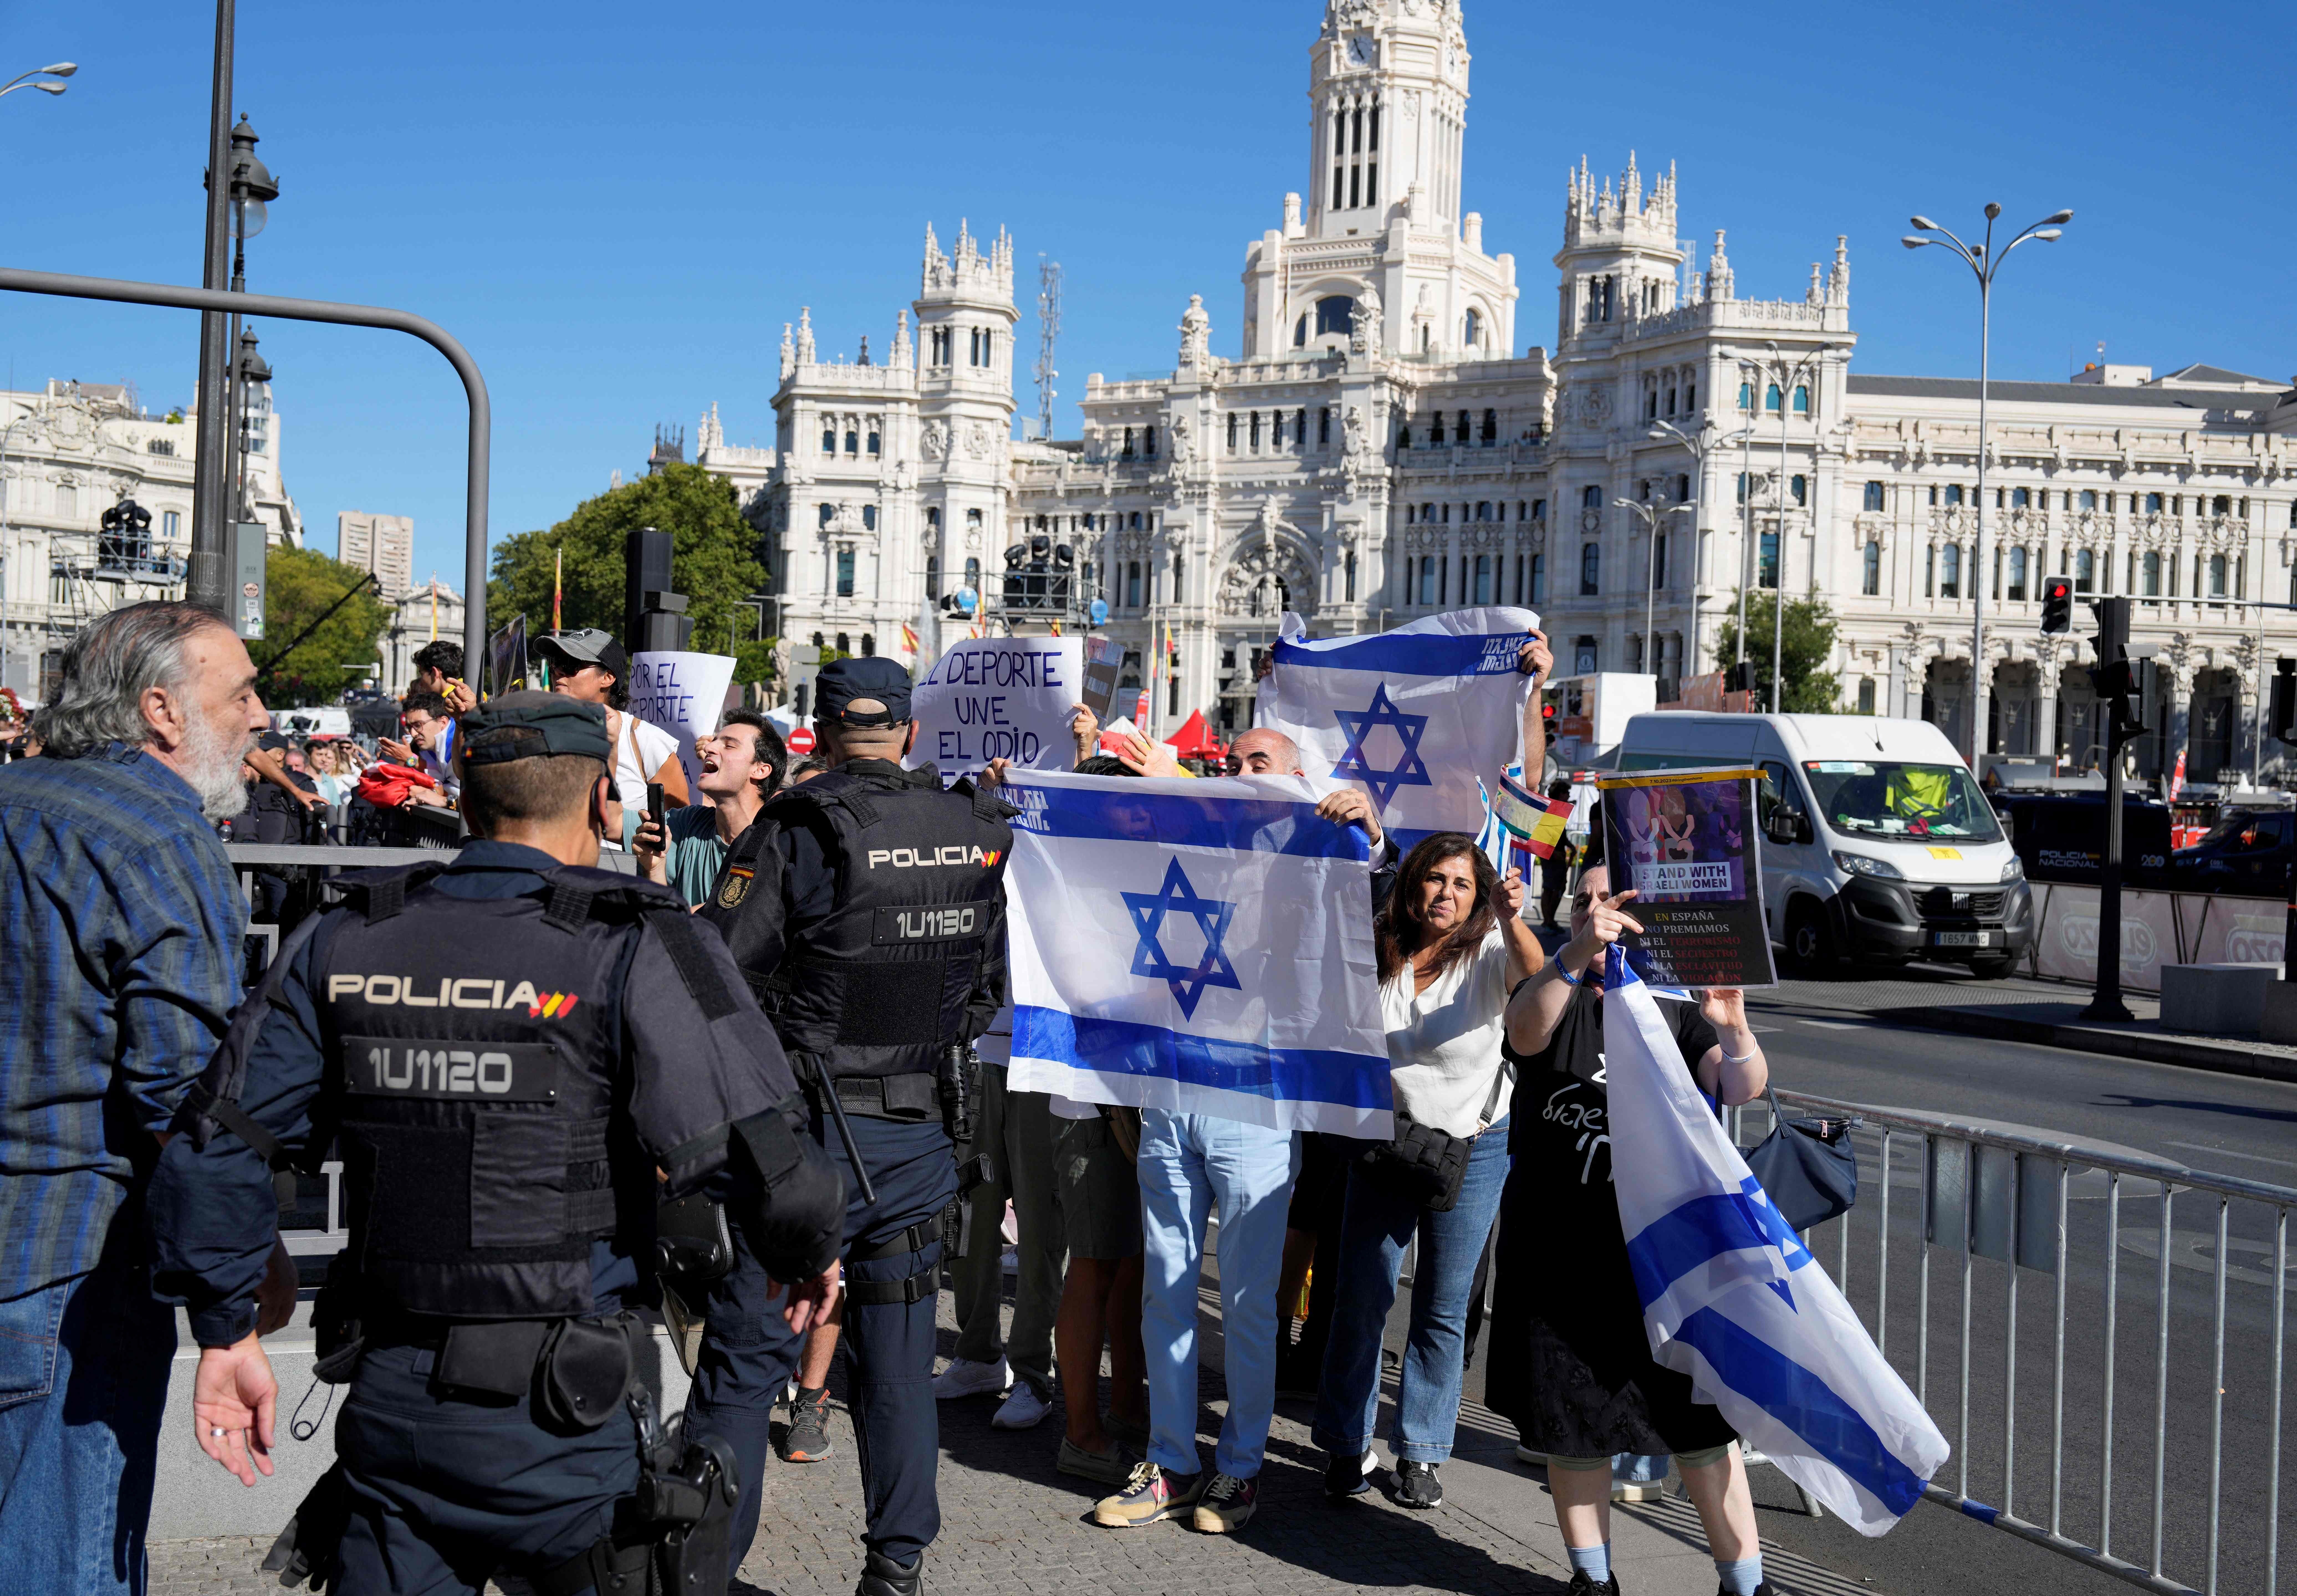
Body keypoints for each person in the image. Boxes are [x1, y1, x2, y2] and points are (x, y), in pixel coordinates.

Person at [145, 691, 845, 1596]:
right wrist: (808, 1254)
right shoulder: (642, 940)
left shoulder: (348, 931)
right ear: (603, 801)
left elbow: (210, 1150)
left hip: (394, 1406)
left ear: (464, 804)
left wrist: (226, 1323)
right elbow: (773, 1166)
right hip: (566, 1421)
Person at [693, 656, 1014, 1596]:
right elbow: (985, 986)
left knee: (750, 1358)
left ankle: (705, 1564)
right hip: (917, 1131)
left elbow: (716, 978)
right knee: (901, 1361)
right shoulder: (970, 828)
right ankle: (897, 1562)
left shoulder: (798, 829)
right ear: (909, 733)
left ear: (820, 738)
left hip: (803, 1142)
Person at [0, 601, 293, 1595]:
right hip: (66, 1270)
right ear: (162, 710)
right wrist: (231, 1301)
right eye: (242, 692)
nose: (261, 716)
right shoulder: (160, 838)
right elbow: (187, 1097)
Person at [1093, 725, 1385, 1537]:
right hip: (1171, 1090)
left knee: (1252, 1302)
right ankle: (1169, 1464)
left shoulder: (1310, 852)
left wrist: (1362, 826)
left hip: (1254, 1101)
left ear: (1296, 781)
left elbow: (1360, 893)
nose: (1242, 774)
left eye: (1261, 766)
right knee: (1166, 1292)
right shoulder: (1195, 839)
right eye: (1237, 763)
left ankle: (1239, 1471)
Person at [1487, 862, 1774, 1596]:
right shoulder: (1554, 992)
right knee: (1571, 1423)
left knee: (1697, 1426)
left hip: (1662, 1261)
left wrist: (1734, 1026)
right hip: (1559, 1255)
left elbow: (1741, 1085)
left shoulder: (1674, 1013)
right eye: (1587, 902)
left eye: (1613, 903)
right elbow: (1524, 1034)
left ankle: (1744, 1585)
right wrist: (1578, 953)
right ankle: (1593, 1579)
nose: (1601, 912)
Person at [1315, 835, 1544, 1510]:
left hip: (1472, 1146)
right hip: (1387, 1143)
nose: (1446, 893)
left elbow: (1535, 972)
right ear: (1413, 884)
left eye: (1461, 884)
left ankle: (1421, 1452)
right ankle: (1343, 1442)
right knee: (1360, 1298)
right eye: (1435, 879)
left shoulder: (1492, 952)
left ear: (1478, 898)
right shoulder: (1379, 947)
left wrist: (1511, 914)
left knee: (1443, 1307)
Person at [938, 701, 1102, 1433]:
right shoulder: (982, 859)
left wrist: (1080, 749)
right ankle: (975, 1352)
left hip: (1042, 1060)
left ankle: (1032, 1370)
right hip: (978, 1053)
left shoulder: (1074, 872)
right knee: (972, 1210)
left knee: (1040, 1223)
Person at [635, 710, 788, 908]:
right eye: (714, 741)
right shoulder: (689, 821)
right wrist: (654, 870)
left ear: (760, 770)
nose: (708, 747)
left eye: (730, 745)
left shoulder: (783, 845)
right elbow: (660, 923)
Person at [535, 627, 689, 819]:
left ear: (607, 678)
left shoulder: (644, 739)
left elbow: (679, 825)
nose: (558, 671)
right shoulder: (540, 732)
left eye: (570, 664)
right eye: (555, 663)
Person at [412, 638, 476, 715]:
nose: (421, 683)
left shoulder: (451, 704)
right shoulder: (474, 693)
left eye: (422, 674)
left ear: (435, 673)